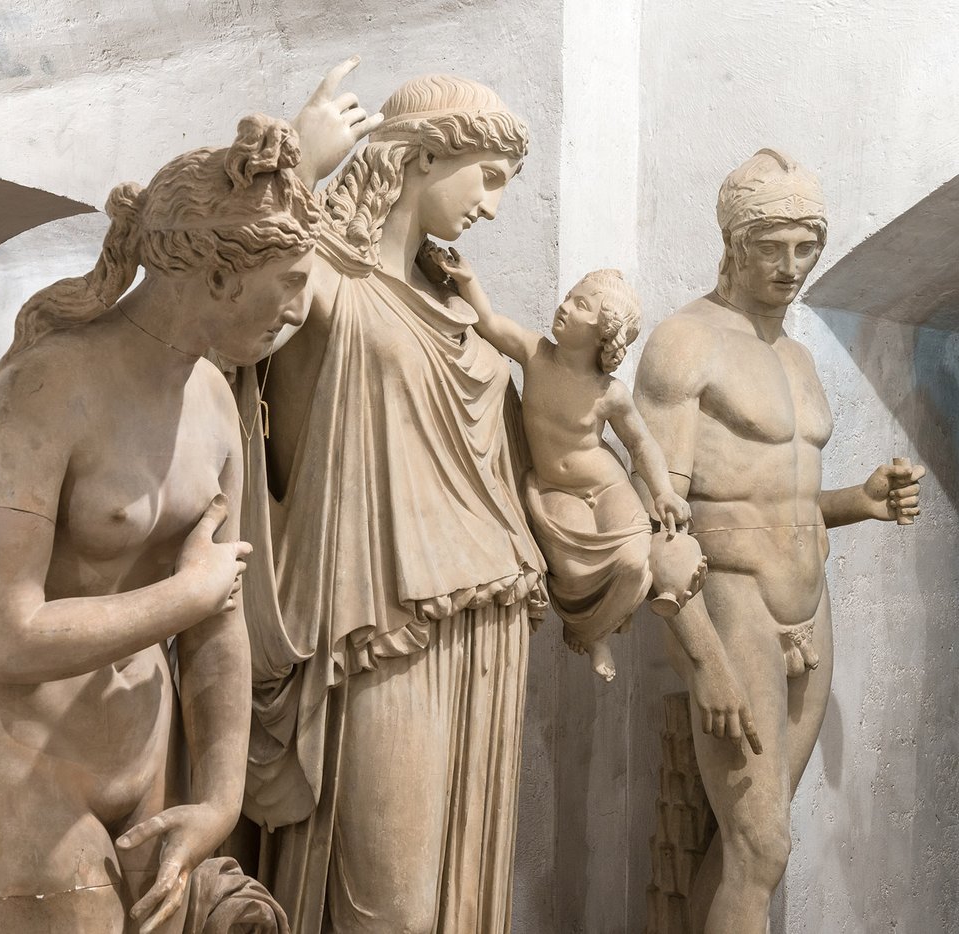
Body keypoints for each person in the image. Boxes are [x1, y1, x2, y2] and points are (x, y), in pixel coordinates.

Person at [0, 98, 370, 934]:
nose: (297, 313)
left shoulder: (213, 401)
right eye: (286, 288)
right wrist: (186, 597)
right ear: (215, 275)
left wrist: (218, 799)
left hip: (141, 750)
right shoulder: (46, 387)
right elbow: (0, 634)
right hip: (22, 760)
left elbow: (222, 627)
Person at [240, 73, 546, 934]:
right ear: (418, 157)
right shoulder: (328, 287)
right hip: (375, 628)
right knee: (393, 908)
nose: (490, 208)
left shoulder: (458, 308)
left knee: (462, 897)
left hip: (483, 621)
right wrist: (293, 164)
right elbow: (208, 279)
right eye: (486, 179)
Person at [633, 148, 925, 934]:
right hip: (735, 606)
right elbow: (653, 523)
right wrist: (705, 662)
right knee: (761, 845)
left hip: (809, 604)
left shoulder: (794, 355)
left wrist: (857, 502)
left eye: (808, 248)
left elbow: (782, 500)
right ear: (734, 244)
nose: (793, 267)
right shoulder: (685, 343)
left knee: (752, 851)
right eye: (774, 248)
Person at [416, 251, 690, 681]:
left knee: (637, 562)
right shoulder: (535, 354)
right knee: (577, 570)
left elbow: (640, 444)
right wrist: (466, 280)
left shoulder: (609, 392)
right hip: (553, 489)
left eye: (581, 305)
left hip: (606, 485)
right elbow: (486, 320)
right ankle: (589, 630)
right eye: (569, 297)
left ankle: (603, 626)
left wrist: (664, 493)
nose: (564, 305)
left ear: (604, 333)